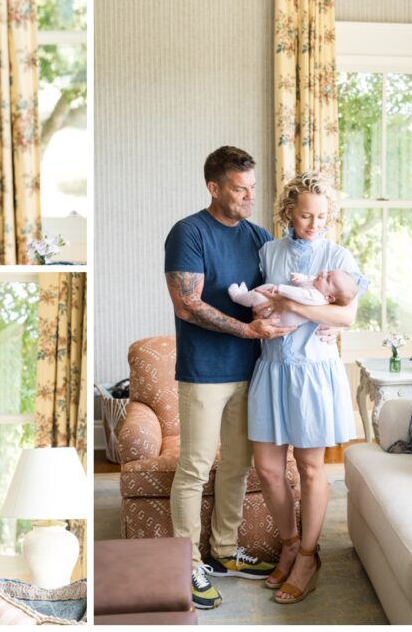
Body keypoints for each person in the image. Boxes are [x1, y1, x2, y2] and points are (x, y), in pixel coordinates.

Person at [164, 146, 295, 610]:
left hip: (252, 370)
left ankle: (222, 553)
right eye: (239, 189)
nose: (248, 196)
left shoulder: (258, 236)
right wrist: (248, 329)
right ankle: (188, 563)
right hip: (204, 372)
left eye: (252, 188)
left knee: (238, 465)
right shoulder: (188, 232)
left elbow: (280, 292)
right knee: (195, 468)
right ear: (214, 187)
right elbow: (188, 304)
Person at [247, 171, 366, 605]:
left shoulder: (338, 256)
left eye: (320, 216)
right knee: (269, 470)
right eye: (304, 215)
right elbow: (259, 300)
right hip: (272, 368)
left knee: (312, 468)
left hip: (314, 374)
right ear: (289, 212)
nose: (313, 224)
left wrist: (292, 305)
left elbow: (346, 318)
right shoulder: (269, 251)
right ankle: (291, 543)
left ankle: (310, 557)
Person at [228, 269, 359, 327]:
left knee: (258, 295)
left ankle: (237, 297)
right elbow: (309, 279)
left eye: (328, 279)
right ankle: (244, 294)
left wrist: (281, 288)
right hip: (277, 311)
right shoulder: (319, 286)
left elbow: (300, 294)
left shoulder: (317, 297)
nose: (324, 273)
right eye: (328, 272)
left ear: (329, 297)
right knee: (265, 290)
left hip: (282, 318)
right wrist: (301, 278)